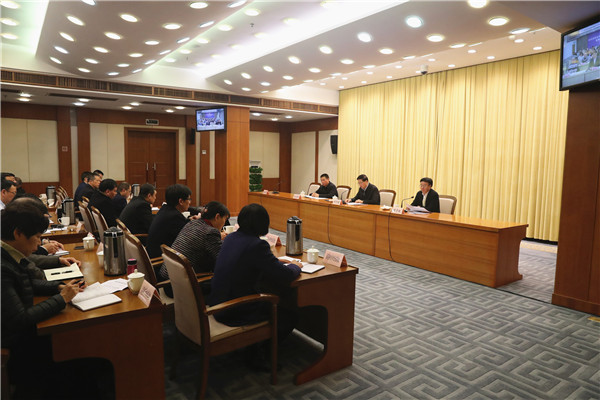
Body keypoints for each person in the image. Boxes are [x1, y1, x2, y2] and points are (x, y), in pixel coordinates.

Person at [0, 200, 90, 399]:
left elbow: (26, 283)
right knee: (80, 357)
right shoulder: (3, 265)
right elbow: (20, 319)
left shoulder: (9, 253)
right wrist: (61, 299)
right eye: (37, 238)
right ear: (18, 233)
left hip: (22, 337)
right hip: (19, 349)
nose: (39, 245)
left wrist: (58, 288)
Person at [208, 203, 301, 339]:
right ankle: (266, 348)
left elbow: (252, 259)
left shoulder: (230, 238)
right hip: (235, 311)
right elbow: (286, 275)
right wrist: (296, 266)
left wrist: (276, 261)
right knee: (289, 314)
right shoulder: (257, 245)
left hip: (218, 304)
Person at [159, 201, 229, 282]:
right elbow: (222, 259)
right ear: (217, 217)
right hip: (184, 283)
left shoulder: (193, 222)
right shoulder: (210, 232)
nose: (224, 223)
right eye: (225, 219)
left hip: (169, 277)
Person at [146, 184, 197, 259]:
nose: (189, 202)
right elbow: (188, 237)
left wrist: (189, 220)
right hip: (161, 260)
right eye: (189, 199)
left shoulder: (165, 210)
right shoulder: (174, 216)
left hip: (155, 253)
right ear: (181, 201)